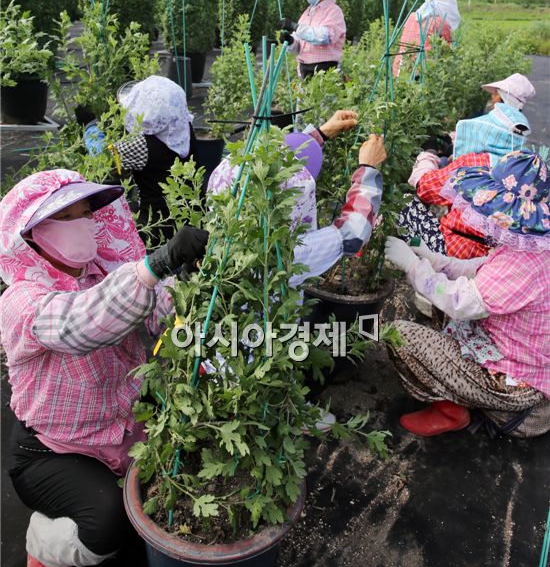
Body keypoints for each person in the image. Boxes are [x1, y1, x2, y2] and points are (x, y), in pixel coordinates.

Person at [0, 169, 208, 567]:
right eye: (70, 217)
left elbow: (155, 312)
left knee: (171, 479)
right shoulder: (21, 300)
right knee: (108, 521)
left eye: (88, 214)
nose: (86, 224)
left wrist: (186, 282)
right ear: (32, 233)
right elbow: (80, 324)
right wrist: (158, 263)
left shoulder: (104, 271)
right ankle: (44, 544)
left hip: (122, 428)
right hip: (53, 449)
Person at [384, 150, 550, 439]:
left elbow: (461, 302)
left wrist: (413, 267)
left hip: (517, 381)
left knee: (401, 336)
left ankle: (452, 411)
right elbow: (479, 271)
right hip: (509, 347)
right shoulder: (531, 245)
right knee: (440, 296)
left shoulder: (525, 264)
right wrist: (433, 261)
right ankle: (456, 393)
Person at [209, 110, 387, 288]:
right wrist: (368, 168)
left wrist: (321, 134)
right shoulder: (286, 253)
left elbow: (281, 160)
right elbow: (352, 233)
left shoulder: (228, 210)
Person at [398, 74, 535, 259]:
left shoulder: (473, 162)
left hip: (458, 250)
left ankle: (424, 266)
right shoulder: (527, 168)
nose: (491, 99)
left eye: (495, 95)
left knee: (406, 204)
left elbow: (424, 186)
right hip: (496, 258)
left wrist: (428, 155)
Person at [76, 75, 199, 246]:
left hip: (154, 223)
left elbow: (102, 156)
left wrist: (90, 127)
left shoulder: (142, 145)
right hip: (185, 214)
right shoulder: (183, 126)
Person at [279, 0, 346, 79]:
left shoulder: (334, 11)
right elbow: (299, 48)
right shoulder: (307, 13)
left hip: (326, 73)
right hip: (305, 72)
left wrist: (295, 27)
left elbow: (324, 36)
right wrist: (290, 41)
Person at [392, 0, 460, 78]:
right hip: (421, 72)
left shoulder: (412, 16)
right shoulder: (440, 22)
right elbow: (448, 51)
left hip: (400, 67)